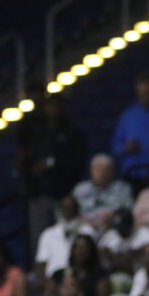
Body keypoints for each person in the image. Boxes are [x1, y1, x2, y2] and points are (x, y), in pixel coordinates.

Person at [19, 94, 88, 256]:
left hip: (64, 193)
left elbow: (77, 162)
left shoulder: (72, 133)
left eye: (56, 106)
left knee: (65, 237)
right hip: (40, 194)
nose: (52, 110)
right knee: (39, 239)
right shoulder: (38, 134)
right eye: (49, 106)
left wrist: (53, 164)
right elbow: (28, 162)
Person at [35, 196, 97, 281]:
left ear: (77, 210)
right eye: (65, 208)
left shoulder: (88, 231)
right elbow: (41, 262)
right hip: (54, 281)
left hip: (82, 280)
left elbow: (94, 260)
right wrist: (43, 283)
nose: (68, 212)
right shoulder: (48, 234)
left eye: (71, 208)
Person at [74, 154, 134, 232]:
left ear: (112, 171)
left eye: (106, 170)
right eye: (98, 169)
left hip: (113, 227)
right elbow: (73, 210)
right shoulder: (80, 189)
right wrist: (83, 219)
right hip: (85, 225)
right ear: (91, 171)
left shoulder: (123, 188)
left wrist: (114, 214)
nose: (102, 173)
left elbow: (128, 211)